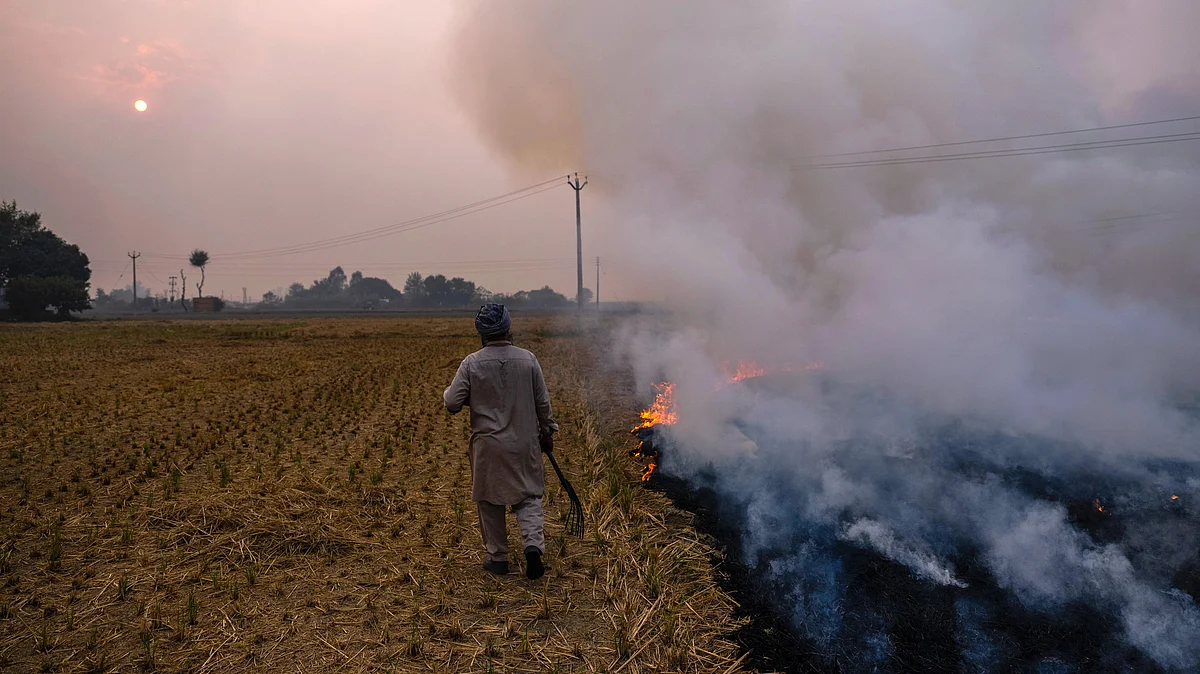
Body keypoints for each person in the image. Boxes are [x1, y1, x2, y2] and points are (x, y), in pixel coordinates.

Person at [443, 303, 559, 579]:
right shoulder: (528, 359)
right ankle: (532, 546)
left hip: (489, 446)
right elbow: (543, 404)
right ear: (508, 328)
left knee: (490, 500)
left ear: (481, 333)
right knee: (529, 496)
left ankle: (497, 558)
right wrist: (548, 433)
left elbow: (451, 402)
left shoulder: (471, 363)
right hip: (524, 443)